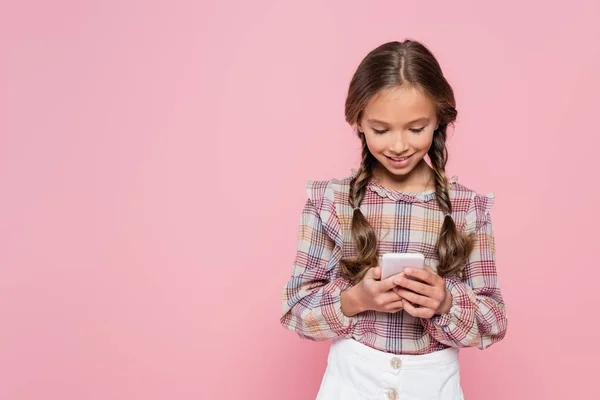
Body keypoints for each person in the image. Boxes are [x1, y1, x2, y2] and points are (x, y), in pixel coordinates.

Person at [280, 40, 508, 399]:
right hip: (351, 383)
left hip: (434, 385)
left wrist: (445, 302)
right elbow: (296, 311)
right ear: (358, 122)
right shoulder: (330, 202)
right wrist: (356, 299)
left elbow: (494, 322)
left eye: (415, 128)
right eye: (381, 130)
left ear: (439, 120)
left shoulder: (468, 208)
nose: (398, 145)